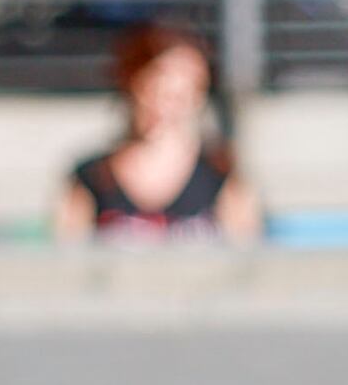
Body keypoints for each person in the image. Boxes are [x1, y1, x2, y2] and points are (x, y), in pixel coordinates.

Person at [56, 21, 264, 244]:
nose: (166, 108)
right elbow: (67, 263)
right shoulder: (94, 177)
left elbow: (248, 263)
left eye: (182, 94)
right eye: (156, 90)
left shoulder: (220, 173)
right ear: (131, 82)